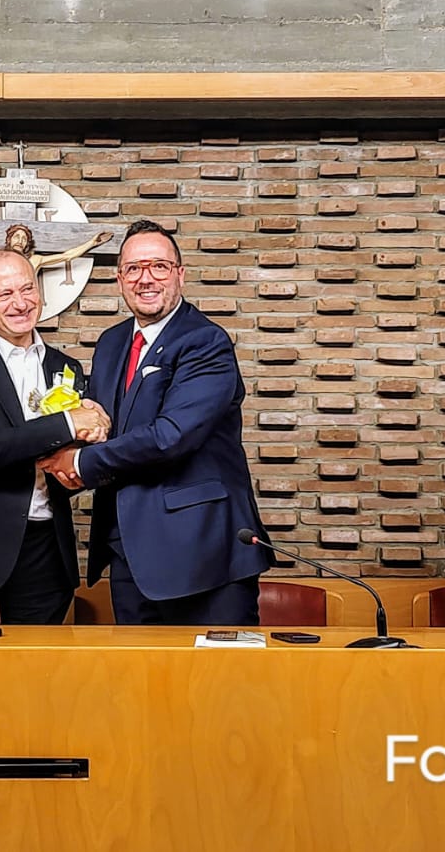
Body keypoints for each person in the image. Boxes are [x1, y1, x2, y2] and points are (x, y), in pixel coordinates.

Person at [40, 220, 272, 625]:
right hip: (128, 553)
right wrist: (65, 441)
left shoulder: (206, 342)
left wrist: (77, 464)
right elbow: (106, 427)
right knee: (138, 667)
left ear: (180, 274)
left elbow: (171, 436)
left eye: (159, 266)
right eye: (133, 268)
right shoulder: (111, 343)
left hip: (204, 554)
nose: (145, 279)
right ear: (119, 279)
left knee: (218, 668)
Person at [0, 249, 112, 624]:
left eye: (27, 289)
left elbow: (65, 459)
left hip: (47, 547)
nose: (20, 303)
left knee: (36, 659)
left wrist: (89, 447)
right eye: (4, 294)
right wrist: (68, 423)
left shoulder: (67, 367)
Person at [0, 224, 112, 283]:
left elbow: (66, 256)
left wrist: (92, 243)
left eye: (24, 238)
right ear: (9, 239)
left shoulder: (35, 261)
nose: (20, 240)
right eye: (16, 236)